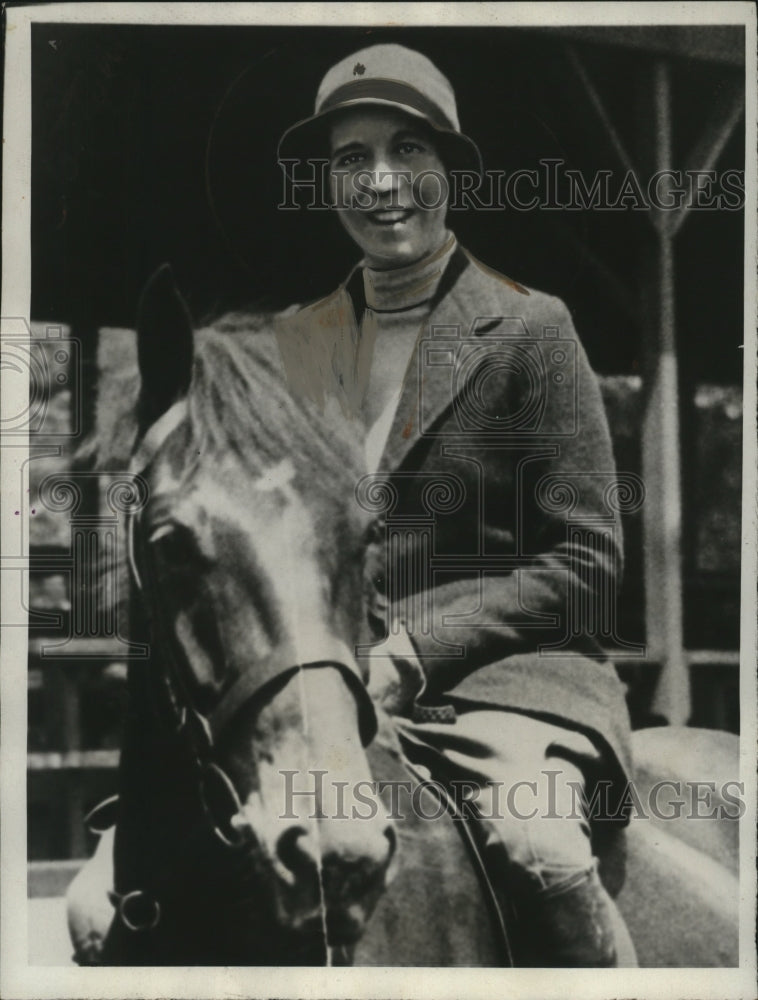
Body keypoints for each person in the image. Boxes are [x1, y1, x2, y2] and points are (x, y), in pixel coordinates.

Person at [276, 43, 636, 967]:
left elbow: (587, 563)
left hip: (504, 688)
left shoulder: (531, 329)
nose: (381, 180)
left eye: (408, 149)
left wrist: (415, 648)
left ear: (451, 169)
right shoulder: (296, 342)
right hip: (329, 692)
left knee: (536, 841)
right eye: (351, 159)